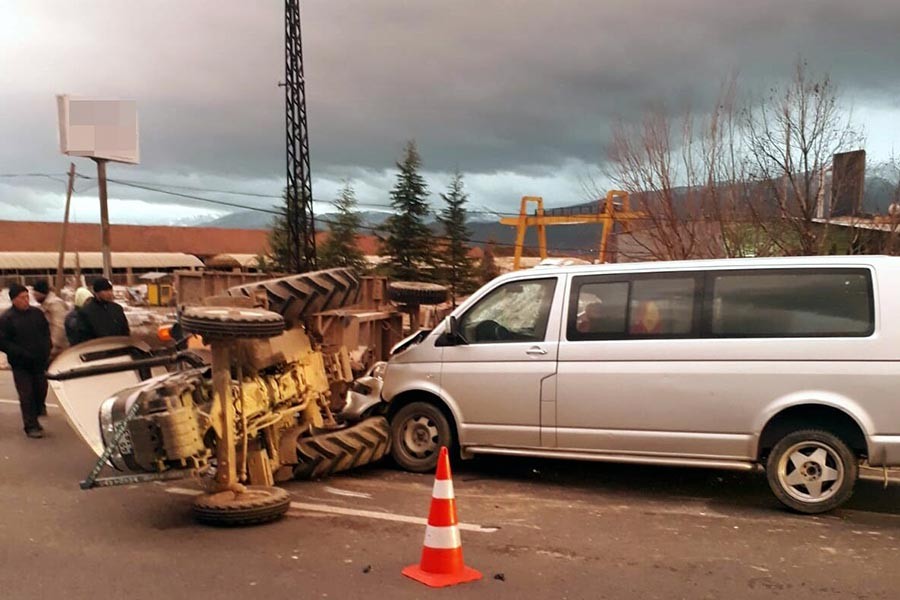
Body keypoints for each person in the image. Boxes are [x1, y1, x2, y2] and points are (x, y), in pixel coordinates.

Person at [0, 284, 51, 438]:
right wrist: (19, 353)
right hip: (20, 364)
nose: (26, 300)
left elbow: (45, 332)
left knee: (41, 389)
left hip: (39, 361)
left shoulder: (37, 314)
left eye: (27, 296)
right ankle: (31, 426)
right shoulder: (7, 318)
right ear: (14, 300)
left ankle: (37, 410)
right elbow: (3, 342)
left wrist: (47, 348)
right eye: (22, 297)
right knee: (26, 394)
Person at [77, 277, 130, 341]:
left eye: (110, 290)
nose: (109, 293)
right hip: (98, 347)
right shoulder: (86, 312)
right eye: (105, 290)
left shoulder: (117, 309)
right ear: (96, 293)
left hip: (118, 346)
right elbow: (83, 336)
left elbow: (125, 331)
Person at [32, 279, 69, 361]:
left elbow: (59, 327)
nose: (34, 297)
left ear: (41, 293)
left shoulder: (55, 304)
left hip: (58, 350)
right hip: (50, 348)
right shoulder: (46, 304)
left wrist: (52, 347)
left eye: (36, 294)